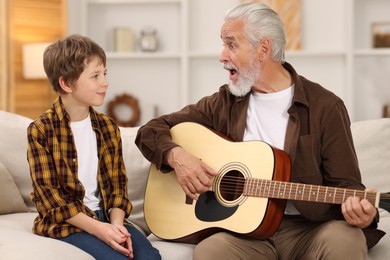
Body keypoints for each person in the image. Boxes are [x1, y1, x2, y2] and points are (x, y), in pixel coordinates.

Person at [135, 3, 385, 260]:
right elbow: (150, 131)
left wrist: (364, 215)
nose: (222, 55)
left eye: (231, 45)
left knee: (347, 239)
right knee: (210, 251)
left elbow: (348, 186)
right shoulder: (224, 102)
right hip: (244, 234)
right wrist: (178, 157)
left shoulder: (325, 106)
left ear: (263, 48)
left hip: (309, 230)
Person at [27, 34, 161, 260]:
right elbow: (50, 199)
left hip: (107, 218)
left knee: (151, 258)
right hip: (68, 223)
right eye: (95, 76)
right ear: (66, 83)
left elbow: (118, 187)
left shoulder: (108, 127)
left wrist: (116, 226)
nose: (105, 82)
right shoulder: (41, 131)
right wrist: (99, 229)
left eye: (105, 74)